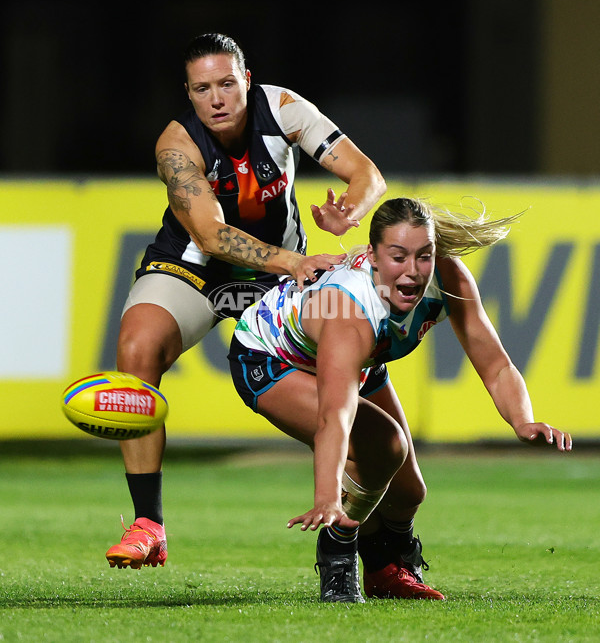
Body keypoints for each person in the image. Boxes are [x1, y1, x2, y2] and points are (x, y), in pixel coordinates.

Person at [105, 33, 387, 569]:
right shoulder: (176, 146)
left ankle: (383, 541)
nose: (216, 98)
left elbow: (366, 174)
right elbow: (210, 238)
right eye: (202, 88)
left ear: (247, 81)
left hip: (282, 273)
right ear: (188, 94)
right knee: (136, 350)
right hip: (194, 267)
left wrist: (350, 211)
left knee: (357, 375)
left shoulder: (283, 109)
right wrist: (294, 263)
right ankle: (149, 526)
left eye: (227, 84)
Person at [228, 196, 573, 603]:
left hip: (358, 361)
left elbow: (496, 365)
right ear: (373, 257)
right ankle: (338, 549)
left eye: (423, 256)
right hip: (271, 359)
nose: (412, 272)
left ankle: (385, 570)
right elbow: (334, 418)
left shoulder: (449, 277)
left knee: (409, 494)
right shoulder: (348, 308)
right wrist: (326, 498)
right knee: (386, 446)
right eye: (398, 257)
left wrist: (522, 421)